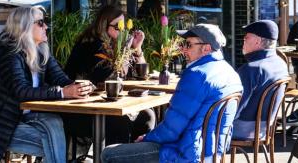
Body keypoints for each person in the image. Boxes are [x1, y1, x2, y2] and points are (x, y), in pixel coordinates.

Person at [100, 23, 243, 163]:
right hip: (214, 152)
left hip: (185, 153)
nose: (183, 50)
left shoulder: (197, 75)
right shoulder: (230, 72)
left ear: (206, 48)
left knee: (109, 153)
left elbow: (172, 129)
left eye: (188, 45)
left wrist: (147, 138)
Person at [0, 6, 91, 163]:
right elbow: (21, 92)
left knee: (57, 124)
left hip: (27, 116)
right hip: (0, 125)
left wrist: (80, 87)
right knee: (56, 142)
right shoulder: (9, 55)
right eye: (41, 23)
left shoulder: (40, 51)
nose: (46, 26)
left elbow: (62, 80)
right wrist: (62, 92)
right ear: (24, 26)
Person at [64, 5, 155, 156]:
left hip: (105, 107)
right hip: (81, 109)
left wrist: (137, 49)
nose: (123, 31)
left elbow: (140, 75)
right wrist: (125, 50)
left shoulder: (114, 46)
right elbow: (106, 79)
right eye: (118, 27)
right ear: (103, 26)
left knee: (147, 116)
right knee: (120, 123)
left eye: (124, 27)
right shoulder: (91, 45)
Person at [233, 20, 288, 140]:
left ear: (257, 41)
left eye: (246, 38)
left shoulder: (251, 69)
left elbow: (233, 109)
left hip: (243, 130)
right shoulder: (281, 63)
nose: (243, 41)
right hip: (265, 129)